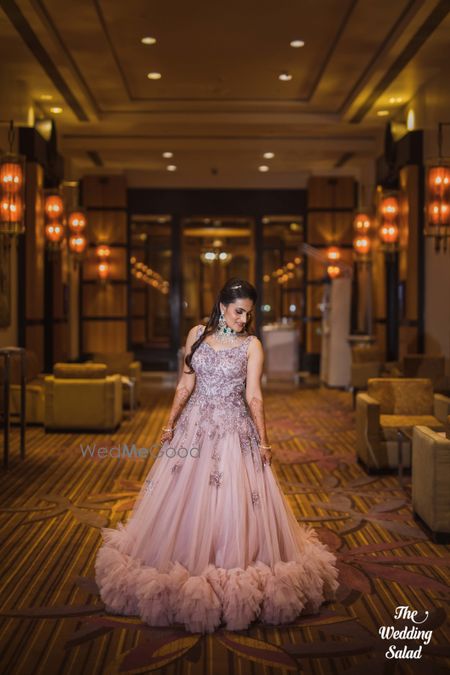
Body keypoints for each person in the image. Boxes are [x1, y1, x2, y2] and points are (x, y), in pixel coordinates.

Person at [95, 278, 339, 633]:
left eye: (248, 313)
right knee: (183, 499)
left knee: (233, 502)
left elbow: (254, 396)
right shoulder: (196, 334)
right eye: (238, 311)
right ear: (222, 305)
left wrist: (264, 442)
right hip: (194, 427)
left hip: (232, 432)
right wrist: (169, 424)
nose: (243, 318)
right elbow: (185, 383)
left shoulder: (252, 345)